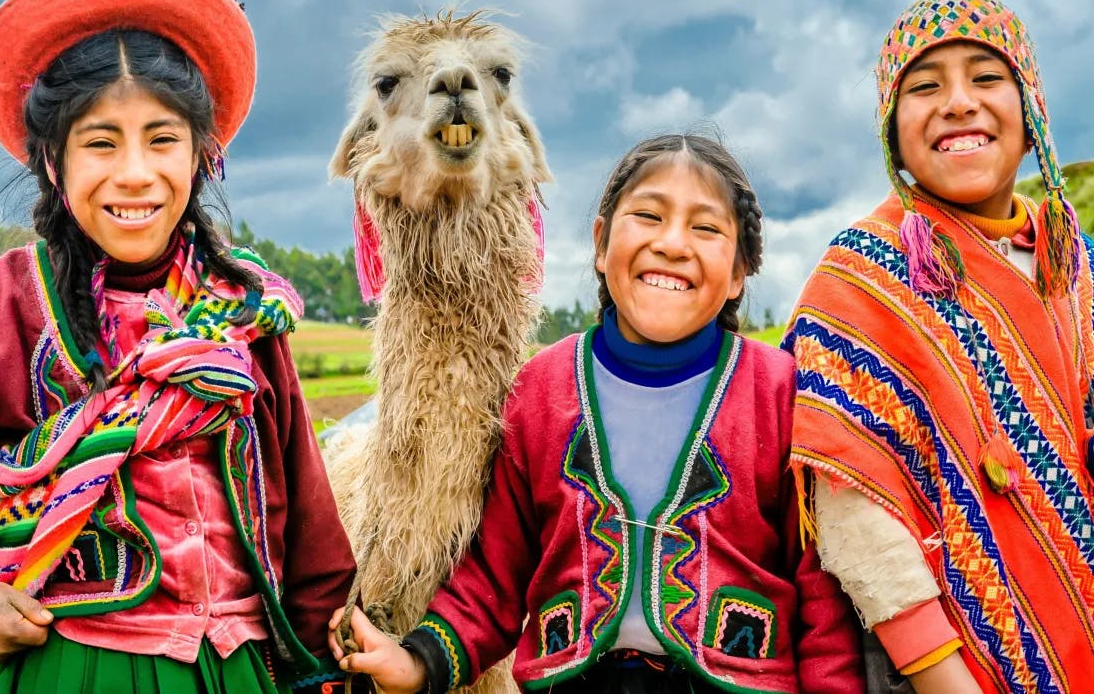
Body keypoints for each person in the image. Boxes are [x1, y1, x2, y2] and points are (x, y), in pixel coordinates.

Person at [0, 0, 356, 693]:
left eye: (163, 139)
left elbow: (307, 523)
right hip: (75, 666)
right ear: (53, 161)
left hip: (242, 670)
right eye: (101, 142)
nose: (135, 173)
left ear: (203, 156)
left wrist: (323, 668)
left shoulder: (242, 314)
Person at [329, 133, 865, 693]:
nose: (673, 243)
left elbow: (821, 598)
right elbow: (496, 574)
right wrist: (417, 662)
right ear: (601, 244)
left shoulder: (778, 394)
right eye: (648, 216)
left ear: (738, 274)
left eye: (705, 227)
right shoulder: (542, 390)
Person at [785, 0, 1094, 693]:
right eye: (924, 87)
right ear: (894, 130)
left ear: (1032, 112)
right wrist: (938, 672)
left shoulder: (1073, 266)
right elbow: (854, 507)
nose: (958, 102)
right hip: (937, 667)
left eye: (987, 78)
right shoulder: (858, 282)